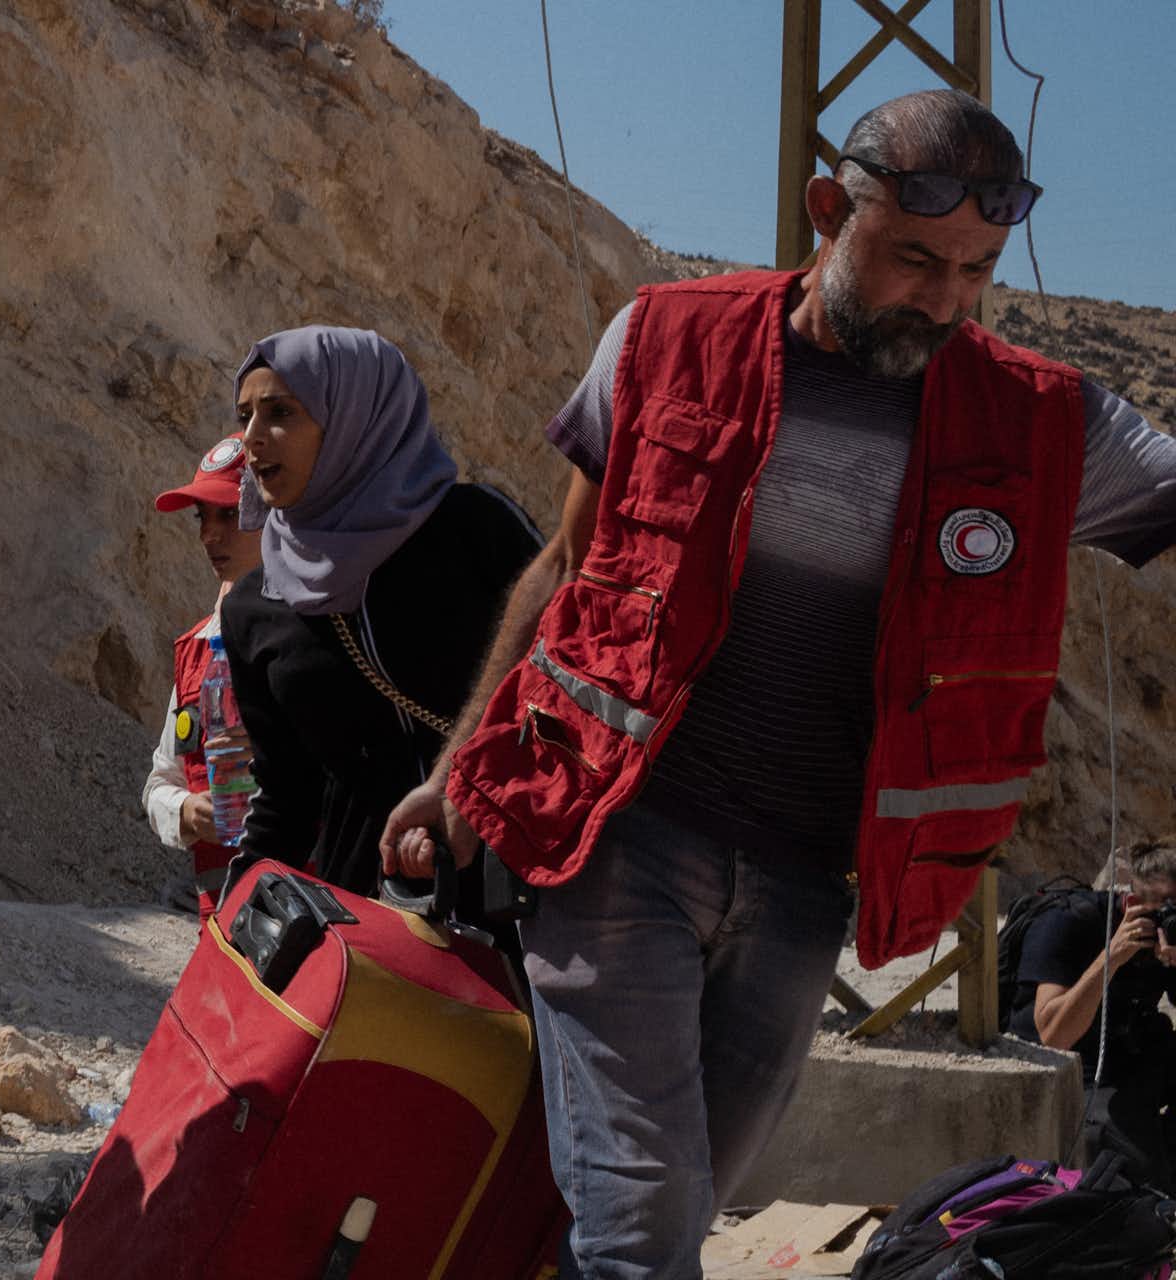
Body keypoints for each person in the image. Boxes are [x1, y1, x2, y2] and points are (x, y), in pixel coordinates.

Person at [379, 90, 1176, 1277]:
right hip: (618, 831)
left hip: (809, 877)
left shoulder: (1037, 422)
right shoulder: (661, 337)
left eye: (974, 269)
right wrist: (451, 772)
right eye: (913, 258)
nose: (945, 298)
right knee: (645, 1212)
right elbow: (563, 565)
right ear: (827, 209)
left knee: (686, 1188)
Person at [217, 327, 538, 897]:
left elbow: (569, 670)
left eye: (280, 413)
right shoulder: (256, 605)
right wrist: (238, 911)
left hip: (525, 887)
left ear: (354, 418)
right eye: (245, 416)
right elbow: (285, 799)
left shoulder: (472, 529)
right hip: (367, 912)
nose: (252, 438)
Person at [138, 432, 263, 913]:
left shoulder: (320, 635)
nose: (209, 534)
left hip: (309, 927)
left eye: (228, 515)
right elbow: (159, 781)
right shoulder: (196, 652)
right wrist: (188, 812)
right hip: (222, 929)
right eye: (202, 518)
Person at [1009, 837, 1176, 1186]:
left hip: (1129, 1053)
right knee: (1142, 1174)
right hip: (1071, 1069)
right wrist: (1112, 956)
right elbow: (1054, 1036)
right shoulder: (1068, 922)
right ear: (1133, 903)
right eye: (1166, 906)